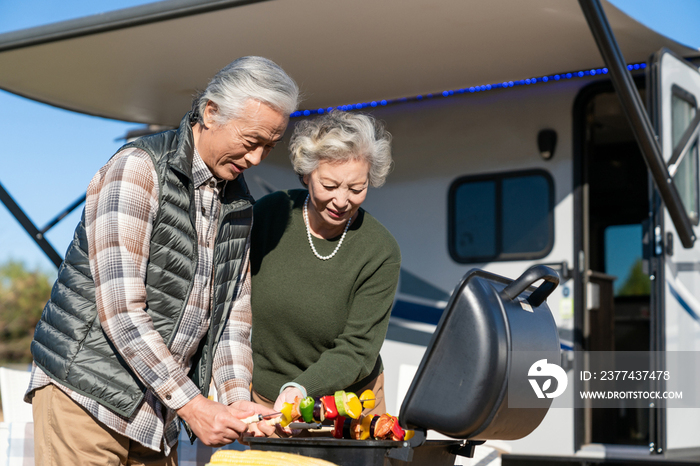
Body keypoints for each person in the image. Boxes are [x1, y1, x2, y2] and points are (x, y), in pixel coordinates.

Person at [24, 56, 300, 465]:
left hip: (157, 414)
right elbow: (120, 311)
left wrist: (235, 401)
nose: (257, 158)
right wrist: (194, 405)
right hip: (86, 398)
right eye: (251, 140)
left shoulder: (241, 205)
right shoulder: (138, 169)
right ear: (210, 113)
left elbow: (231, 322)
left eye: (269, 146)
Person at [249, 111, 400, 422]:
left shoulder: (380, 251)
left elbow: (359, 349)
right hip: (268, 400)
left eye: (356, 188)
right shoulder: (271, 215)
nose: (342, 200)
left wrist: (302, 389)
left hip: (349, 404)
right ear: (306, 175)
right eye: (330, 185)